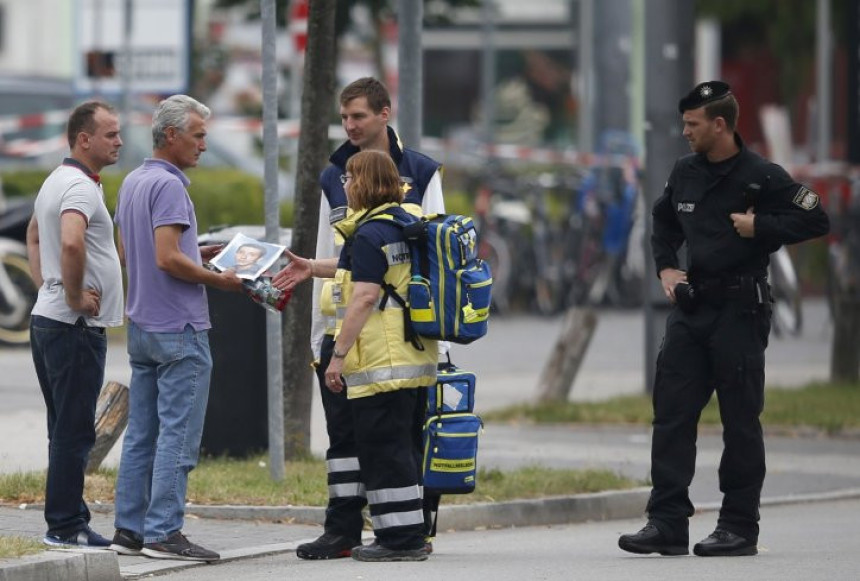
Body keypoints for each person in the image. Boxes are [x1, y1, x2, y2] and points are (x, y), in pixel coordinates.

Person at [618, 81, 830, 558]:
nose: (685, 132)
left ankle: (738, 526)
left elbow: (817, 219)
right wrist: (667, 267)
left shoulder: (763, 176)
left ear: (720, 124)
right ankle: (667, 522)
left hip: (740, 311)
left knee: (739, 422)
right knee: (671, 416)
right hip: (693, 311)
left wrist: (762, 227)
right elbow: (664, 222)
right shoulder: (684, 172)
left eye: (693, 124)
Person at [272, 77, 445, 560]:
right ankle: (346, 527)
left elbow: (422, 266)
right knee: (350, 438)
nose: (348, 126)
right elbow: (342, 260)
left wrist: (438, 338)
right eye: (344, 117)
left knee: (395, 439)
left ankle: (408, 531)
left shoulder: (423, 173)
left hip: (389, 340)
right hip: (347, 333)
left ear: (384, 114)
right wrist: (311, 285)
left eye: (358, 117)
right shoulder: (335, 175)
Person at [109, 95, 243, 562]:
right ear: (171, 136)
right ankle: (164, 532)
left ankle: (129, 530)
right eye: (198, 134)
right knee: (178, 436)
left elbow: (133, 254)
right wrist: (219, 280)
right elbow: (167, 258)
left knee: (142, 434)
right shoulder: (169, 187)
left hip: (143, 325)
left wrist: (197, 254)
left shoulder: (132, 181)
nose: (204, 144)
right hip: (179, 328)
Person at [26, 101, 125, 549]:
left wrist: (45, 286)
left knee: (63, 426)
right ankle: (65, 526)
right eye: (110, 134)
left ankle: (66, 519)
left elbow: (33, 234)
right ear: (84, 139)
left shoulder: (57, 181)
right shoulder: (80, 188)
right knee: (74, 428)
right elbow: (69, 241)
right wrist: (69, 294)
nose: (119, 141)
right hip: (72, 327)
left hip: (50, 320)